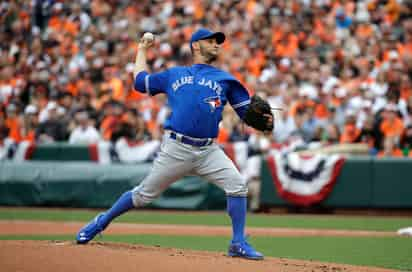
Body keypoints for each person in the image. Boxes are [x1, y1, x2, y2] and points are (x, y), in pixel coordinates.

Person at [76, 28, 273, 260]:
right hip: (176, 149)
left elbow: (246, 112)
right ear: (195, 46)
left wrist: (264, 121)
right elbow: (140, 82)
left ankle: (238, 243)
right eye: (211, 41)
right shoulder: (174, 74)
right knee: (143, 196)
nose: (217, 45)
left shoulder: (226, 80)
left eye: (218, 42)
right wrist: (141, 50)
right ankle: (102, 221)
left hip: (209, 151)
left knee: (238, 185)